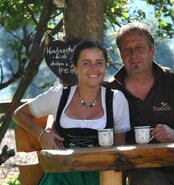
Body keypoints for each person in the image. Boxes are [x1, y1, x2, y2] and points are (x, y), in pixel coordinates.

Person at [12, 39, 131, 185]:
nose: (94, 68)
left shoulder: (116, 100)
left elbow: (119, 151)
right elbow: (18, 114)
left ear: (105, 66)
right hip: (63, 174)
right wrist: (42, 134)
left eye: (99, 62)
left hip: (99, 176)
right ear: (75, 67)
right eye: (86, 63)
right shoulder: (58, 96)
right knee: (62, 170)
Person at [105, 22, 174, 185]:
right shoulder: (109, 91)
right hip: (141, 172)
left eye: (139, 48)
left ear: (152, 51)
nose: (133, 55)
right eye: (127, 50)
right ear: (121, 55)